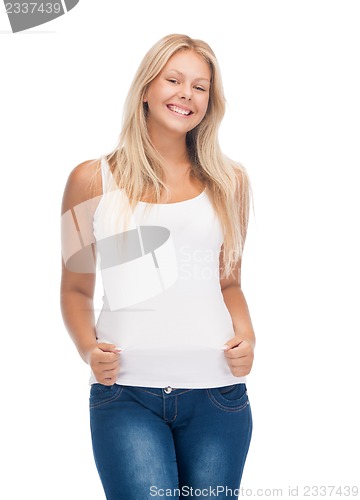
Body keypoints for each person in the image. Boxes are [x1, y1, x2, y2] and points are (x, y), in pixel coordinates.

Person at [60, 33, 256, 500]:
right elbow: (75, 289)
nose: (186, 94)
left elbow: (228, 281)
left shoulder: (231, 182)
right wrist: (88, 349)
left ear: (211, 102)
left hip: (218, 397)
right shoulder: (90, 180)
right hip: (125, 397)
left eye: (200, 86)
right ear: (146, 88)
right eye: (173, 79)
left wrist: (246, 335)